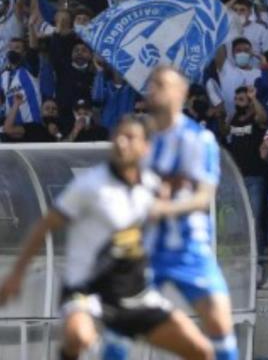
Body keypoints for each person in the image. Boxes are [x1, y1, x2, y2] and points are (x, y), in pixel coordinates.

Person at [0, 116, 214, 360]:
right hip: (88, 293)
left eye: (130, 137)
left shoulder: (152, 187)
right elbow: (45, 226)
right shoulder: (91, 186)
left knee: (202, 351)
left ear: (146, 147)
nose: (121, 143)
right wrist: (16, 275)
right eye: (118, 137)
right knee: (79, 337)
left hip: (136, 294)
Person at [144, 66, 237, 360]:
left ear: (181, 92)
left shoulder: (199, 139)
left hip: (190, 248)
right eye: (152, 85)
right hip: (146, 250)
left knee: (220, 324)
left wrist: (163, 207)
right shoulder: (139, 139)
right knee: (118, 329)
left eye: (163, 85)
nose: (155, 90)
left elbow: (203, 197)